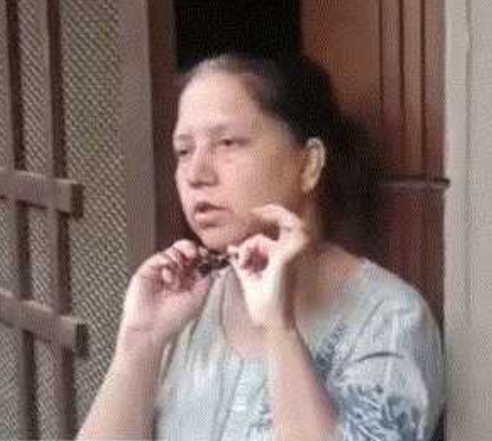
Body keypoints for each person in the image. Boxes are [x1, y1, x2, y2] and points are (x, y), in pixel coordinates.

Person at [77, 53, 446, 441]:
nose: (196, 174)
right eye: (184, 150)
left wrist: (278, 328)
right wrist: (140, 341)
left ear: (308, 164)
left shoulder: (389, 320)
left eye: (227, 143)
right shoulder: (189, 306)